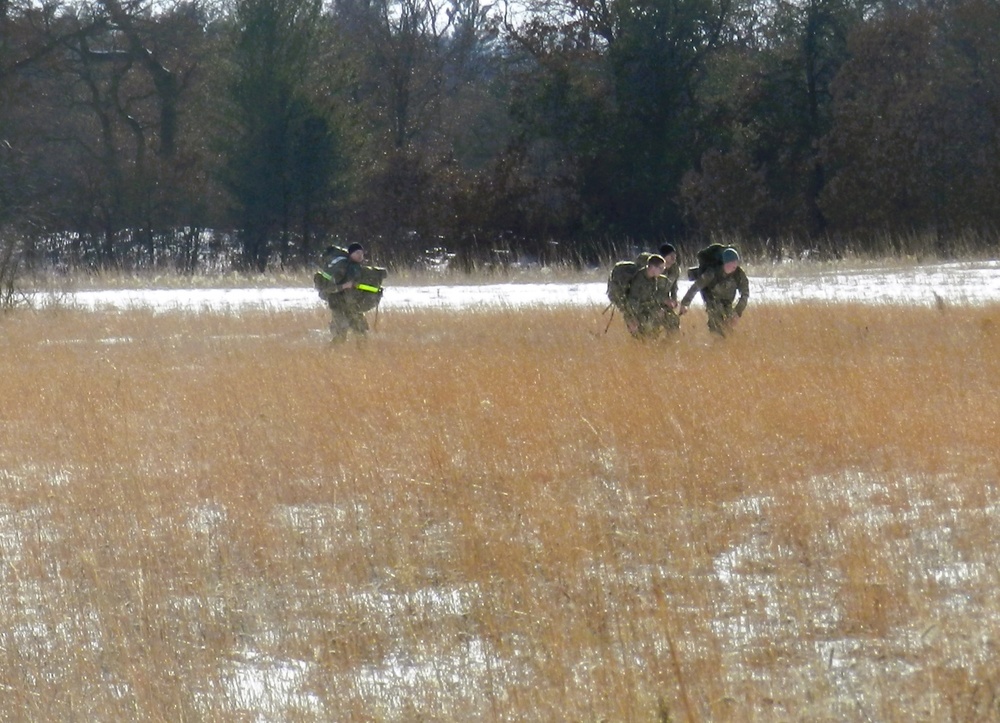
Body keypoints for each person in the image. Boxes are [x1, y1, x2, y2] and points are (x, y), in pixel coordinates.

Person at [678, 246, 749, 336]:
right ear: (726, 262)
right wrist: (685, 303)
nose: (735, 264)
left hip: (728, 302)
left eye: (736, 261)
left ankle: (725, 342)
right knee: (717, 325)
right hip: (712, 302)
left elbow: (745, 294)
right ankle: (716, 339)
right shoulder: (712, 273)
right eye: (732, 262)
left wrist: (737, 312)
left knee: (729, 327)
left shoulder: (739, 274)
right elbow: (696, 287)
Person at [319, 242, 371, 342]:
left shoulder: (358, 268)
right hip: (339, 305)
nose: (360, 256)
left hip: (354, 306)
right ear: (351, 254)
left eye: (361, 253)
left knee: (361, 334)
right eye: (357, 253)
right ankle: (331, 355)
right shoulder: (342, 267)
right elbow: (328, 288)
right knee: (340, 336)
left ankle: (363, 356)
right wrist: (344, 286)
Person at [622, 254, 675, 339]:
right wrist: (631, 319)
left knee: (673, 319)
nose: (663, 270)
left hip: (649, 309)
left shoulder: (653, 278)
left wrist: (664, 303)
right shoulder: (639, 280)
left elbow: (653, 295)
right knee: (648, 329)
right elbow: (633, 301)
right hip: (639, 312)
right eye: (661, 268)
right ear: (653, 268)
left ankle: (668, 344)